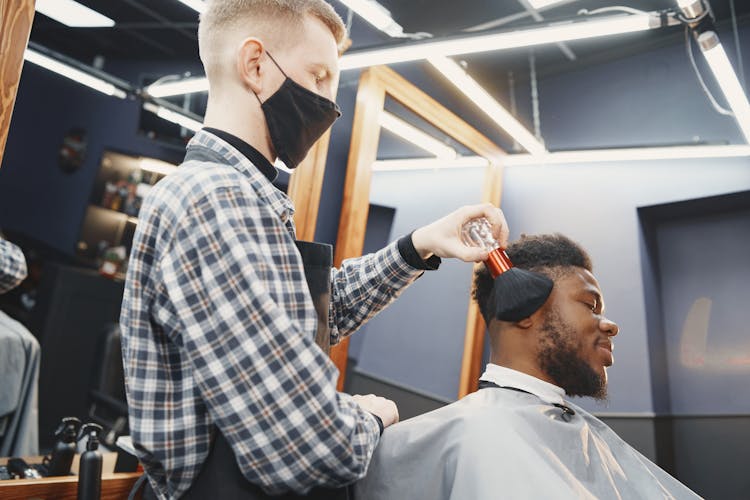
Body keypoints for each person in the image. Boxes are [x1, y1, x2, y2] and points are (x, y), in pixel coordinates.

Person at [119, 1, 508, 498]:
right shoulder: (215, 201)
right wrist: (370, 415)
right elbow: (302, 444)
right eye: (318, 75)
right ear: (255, 66)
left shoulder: (247, 198)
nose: (331, 103)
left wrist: (420, 246)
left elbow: (305, 317)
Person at [355, 234, 701, 500]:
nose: (610, 325)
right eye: (590, 305)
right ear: (525, 310)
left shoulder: (573, 428)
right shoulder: (469, 436)